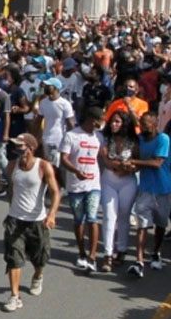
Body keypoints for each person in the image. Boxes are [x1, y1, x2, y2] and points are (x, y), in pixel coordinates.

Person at [1, 133, 60, 312]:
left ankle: (38, 275)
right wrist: (12, 209)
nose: (16, 149)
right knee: (14, 258)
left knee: (40, 257)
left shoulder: (43, 166)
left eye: (20, 146)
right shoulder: (12, 166)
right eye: (15, 146)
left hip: (37, 221)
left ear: (30, 148)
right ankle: (14, 296)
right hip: (15, 221)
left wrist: (51, 215)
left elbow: (55, 192)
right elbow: (11, 189)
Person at [60, 106, 105, 272]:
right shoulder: (71, 136)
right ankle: (81, 253)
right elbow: (63, 158)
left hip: (94, 185)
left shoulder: (99, 137)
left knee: (92, 218)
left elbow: (105, 156)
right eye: (101, 119)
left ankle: (92, 257)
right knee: (79, 220)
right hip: (75, 186)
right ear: (94, 120)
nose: (103, 123)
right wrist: (75, 171)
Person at [127, 112, 171, 278]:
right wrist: (131, 166)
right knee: (142, 225)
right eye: (141, 123)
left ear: (154, 124)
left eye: (145, 123)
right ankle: (139, 261)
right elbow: (137, 160)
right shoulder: (140, 139)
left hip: (163, 189)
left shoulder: (163, 139)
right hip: (145, 188)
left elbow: (157, 163)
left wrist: (134, 162)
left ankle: (156, 253)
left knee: (160, 224)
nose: (143, 126)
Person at [99, 110, 138, 271]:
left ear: (125, 124)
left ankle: (121, 250)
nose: (114, 124)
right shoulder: (106, 139)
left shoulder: (134, 141)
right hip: (109, 180)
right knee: (109, 216)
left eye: (117, 122)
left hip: (128, 182)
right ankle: (108, 254)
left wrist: (128, 167)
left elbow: (136, 163)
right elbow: (106, 161)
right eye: (113, 122)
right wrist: (123, 165)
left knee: (124, 215)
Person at [37, 77, 75, 172]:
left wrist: (72, 139)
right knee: (48, 164)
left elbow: (70, 123)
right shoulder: (43, 103)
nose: (45, 87)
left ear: (55, 88)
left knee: (55, 166)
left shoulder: (65, 104)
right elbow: (38, 120)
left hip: (59, 140)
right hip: (46, 138)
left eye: (48, 86)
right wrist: (36, 137)